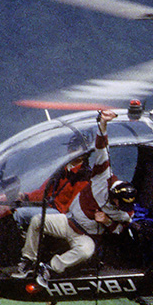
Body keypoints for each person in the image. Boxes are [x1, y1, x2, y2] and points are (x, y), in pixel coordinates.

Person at [14, 110, 136, 284]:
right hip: (69, 222)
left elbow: (122, 229)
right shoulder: (102, 178)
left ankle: (49, 269)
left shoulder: (125, 210)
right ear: (113, 195)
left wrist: (108, 222)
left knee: (86, 251)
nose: (120, 208)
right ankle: (28, 260)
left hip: (85, 236)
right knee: (37, 220)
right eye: (118, 203)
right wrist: (102, 124)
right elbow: (102, 149)